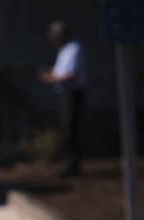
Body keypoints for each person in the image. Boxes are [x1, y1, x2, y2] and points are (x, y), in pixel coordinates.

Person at [40, 20, 86, 177]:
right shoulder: (64, 50)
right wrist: (51, 73)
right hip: (64, 94)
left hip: (73, 93)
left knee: (72, 130)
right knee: (66, 129)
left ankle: (73, 166)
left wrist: (53, 78)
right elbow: (62, 70)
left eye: (56, 37)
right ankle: (68, 164)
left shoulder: (75, 49)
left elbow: (71, 74)